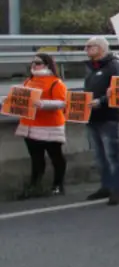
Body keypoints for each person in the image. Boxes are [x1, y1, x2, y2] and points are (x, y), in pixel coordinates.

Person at [82, 36, 119, 205]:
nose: (86, 49)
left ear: (101, 48)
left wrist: (101, 101)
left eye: (90, 46)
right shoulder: (91, 68)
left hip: (109, 116)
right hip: (92, 117)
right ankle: (106, 186)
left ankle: (117, 189)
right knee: (99, 156)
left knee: (111, 155)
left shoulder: (114, 65)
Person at [15, 54, 69, 197]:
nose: (34, 65)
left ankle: (58, 185)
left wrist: (43, 104)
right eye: (32, 62)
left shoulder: (55, 82)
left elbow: (62, 102)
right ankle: (35, 186)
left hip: (50, 125)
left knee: (55, 156)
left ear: (47, 64)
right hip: (29, 125)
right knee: (36, 158)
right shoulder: (29, 81)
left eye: (38, 63)